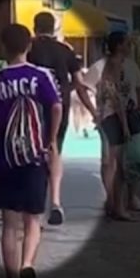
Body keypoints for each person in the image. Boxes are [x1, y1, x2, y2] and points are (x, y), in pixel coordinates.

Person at [0, 24, 63, 278]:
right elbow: (57, 106)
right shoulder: (42, 76)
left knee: (9, 226)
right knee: (32, 221)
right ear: (29, 46)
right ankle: (28, 265)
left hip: (4, 159)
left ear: (3, 46)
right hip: (34, 157)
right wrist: (49, 139)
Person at [27, 12, 97, 226]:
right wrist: (89, 108)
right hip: (59, 105)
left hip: (32, 106)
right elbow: (79, 81)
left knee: (33, 152)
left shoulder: (29, 48)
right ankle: (56, 202)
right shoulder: (65, 50)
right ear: (54, 28)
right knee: (54, 148)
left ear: (35, 27)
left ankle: (35, 206)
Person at [84, 32, 140, 214]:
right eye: (127, 43)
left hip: (129, 114)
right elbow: (85, 87)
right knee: (110, 160)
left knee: (132, 157)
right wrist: (94, 110)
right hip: (109, 117)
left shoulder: (131, 66)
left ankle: (129, 198)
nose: (130, 47)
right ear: (119, 45)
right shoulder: (101, 67)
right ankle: (112, 200)